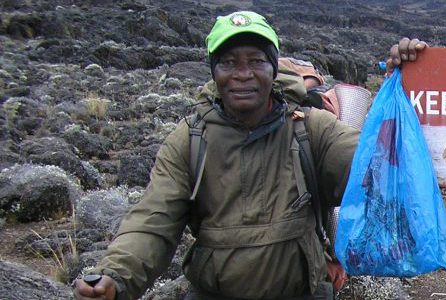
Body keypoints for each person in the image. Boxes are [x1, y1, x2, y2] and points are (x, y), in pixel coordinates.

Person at [73, 10, 426, 300]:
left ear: (273, 70)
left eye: (256, 60)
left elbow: (379, 165)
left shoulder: (309, 129)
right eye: (229, 62)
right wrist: (115, 276)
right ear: (214, 72)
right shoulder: (191, 139)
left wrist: (407, 85)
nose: (243, 74)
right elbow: (153, 220)